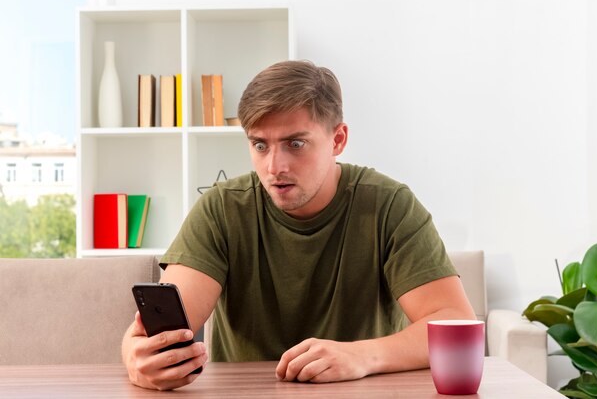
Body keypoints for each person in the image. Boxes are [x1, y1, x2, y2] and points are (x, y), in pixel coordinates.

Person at [121, 60, 475, 391]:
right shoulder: (222, 208)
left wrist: (363, 355)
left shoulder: (389, 205)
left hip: (360, 393)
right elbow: (165, 327)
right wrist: (136, 356)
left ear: (337, 140)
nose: (275, 166)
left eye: (295, 144)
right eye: (260, 145)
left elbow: (454, 322)